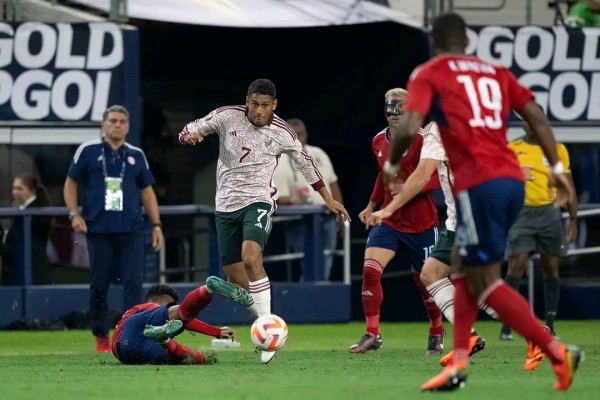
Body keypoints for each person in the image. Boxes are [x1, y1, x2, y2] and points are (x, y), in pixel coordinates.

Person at [382, 12, 582, 392]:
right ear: (468, 42)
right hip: (509, 181)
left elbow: (408, 124)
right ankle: (459, 362)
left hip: (478, 183)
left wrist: (391, 166)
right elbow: (536, 115)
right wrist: (556, 166)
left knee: (484, 282)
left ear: (433, 43)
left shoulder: (430, 71)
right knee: (462, 272)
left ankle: (555, 349)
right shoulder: (496, 72)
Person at [178, 78, 351, 364]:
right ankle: (267, 322)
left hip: (258, 201)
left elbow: (306, 163)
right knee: (234, 277)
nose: (259, 111)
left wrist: (328, 199)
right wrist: (189, 136)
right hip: (225, 205)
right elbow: (192, 127)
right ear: (247, 102)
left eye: (265, 105)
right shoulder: (226, 116)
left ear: (274, 105)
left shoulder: (283, 132)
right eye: (255, 104)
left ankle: (268, 332)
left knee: (250, 256)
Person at [366, 121, 496, 367]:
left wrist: (389, 208)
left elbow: (423, 176)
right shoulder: (475, 119)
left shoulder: (436, 129)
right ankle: (467, 337)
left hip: (460, 219)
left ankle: (537, 334)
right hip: (463, 219)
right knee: (434, 275)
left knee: (480, 288)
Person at [349, 88, 444, 355]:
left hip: (421, 223)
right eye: (390, 109)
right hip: (389, 220)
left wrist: (411, 189)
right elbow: (383, 176)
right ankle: (372, 334)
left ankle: (436, 331)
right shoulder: (378, 140)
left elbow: (437, 178)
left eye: (400, 109)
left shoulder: (424, 139)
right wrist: (371, 205)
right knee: (370, 271)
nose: (394, 114)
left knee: (427, 283)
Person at [64, 105, 165, 353]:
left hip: (130, 229)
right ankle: (101, 334)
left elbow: (147, 192)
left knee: (134, 282)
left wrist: (156, 225)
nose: (117, 125)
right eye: (112, 121)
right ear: (103, 125)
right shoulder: (88, 151)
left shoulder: (136, 155)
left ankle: (129, 333)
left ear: (128, 127)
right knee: (99, 283)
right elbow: (70, 182)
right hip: (98, 229)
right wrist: (74, 213)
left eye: (122, 121)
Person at [500, 111, 578, 348]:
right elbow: (500, 180)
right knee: (517, 264)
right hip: (522, 213)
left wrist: (573, 218)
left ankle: (550, 324)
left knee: (551, 267)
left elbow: (568, 183)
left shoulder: (557, 148)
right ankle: (507, 324)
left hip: (550, 212)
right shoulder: (513, 148)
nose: (529, 122)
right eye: (525, 118)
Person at [112, 275, 251, 365]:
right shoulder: (146, 307)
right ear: (154, 300)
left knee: (191, 359)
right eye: (168, 304)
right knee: (181, 314)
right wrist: (216, 332)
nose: (169, 307)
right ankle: (208, 289)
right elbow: (186, 319)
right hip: (134, 327)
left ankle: (163, 339)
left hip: (127, 352)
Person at [272, 118, 344, 281]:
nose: (298, 139)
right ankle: (312, 294)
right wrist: (293, 201)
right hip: (300, 221)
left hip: (327, 217)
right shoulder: (278, 160)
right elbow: (278, 197)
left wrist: (340, 213)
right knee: (312, 266)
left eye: (301, 134)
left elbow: (333, 183)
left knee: (325, 264)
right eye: (294, 135)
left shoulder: (318, 154)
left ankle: (319, 293)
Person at [0, 172, 52, 285]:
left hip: (28, 271)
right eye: (14, 188)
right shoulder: (25, 211)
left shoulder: (34, 213)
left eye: (20, 189)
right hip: (25, 269)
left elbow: (18, 247)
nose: (15, 192)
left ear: (32, 191)